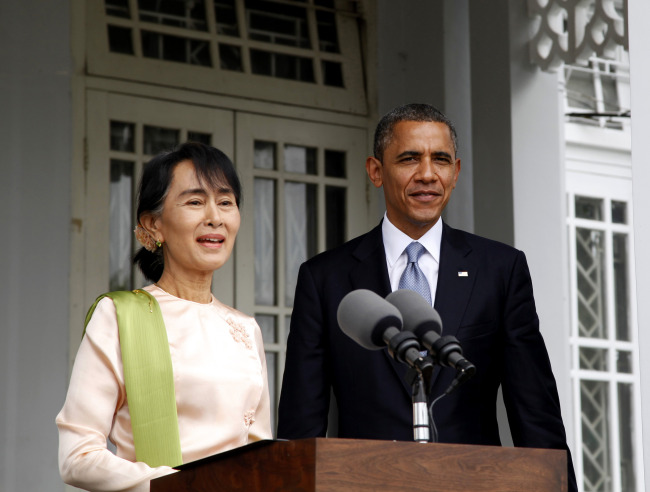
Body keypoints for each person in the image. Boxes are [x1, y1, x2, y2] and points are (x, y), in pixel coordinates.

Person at [277, 103, 577, 491]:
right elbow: (302, 419)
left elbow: (534, 409)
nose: (427, 175)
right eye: (409, 159)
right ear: (375, 171)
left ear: (456, 172)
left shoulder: (500, 269)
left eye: (440, 160)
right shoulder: (325, 278)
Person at [57, 142, 272, 492]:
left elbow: (260, 456)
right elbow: (77, 456)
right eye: (195, 201)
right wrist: (185, 486)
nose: (215, 217)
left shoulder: (247, 329)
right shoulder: (120, 316)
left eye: (225, 202)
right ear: (153, 225)